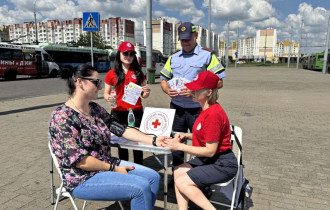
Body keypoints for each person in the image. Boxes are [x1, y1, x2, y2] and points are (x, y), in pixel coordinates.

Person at [49, 64, 162, 210]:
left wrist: (153, 140)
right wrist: (113, 168)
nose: (101, 87)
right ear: (79, 82)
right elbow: (80, 162)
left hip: (106, 164)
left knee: (153, 177)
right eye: (96, 82)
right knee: (140, 188)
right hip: (82, 177)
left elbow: (121, 129)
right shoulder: (62, 117)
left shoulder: (95, 109)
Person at [160, 22, 226, 186]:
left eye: (188, 39)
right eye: (182, 40)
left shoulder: (207, 56)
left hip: (198, 109)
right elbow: (163, 80)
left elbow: (219, 82)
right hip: (177, 109)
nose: (185, 43)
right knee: (176, 143)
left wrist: (197, 91)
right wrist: (167, 90)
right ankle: (176, 176)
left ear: (196, 36)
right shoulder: (173, 58)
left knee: (202, 144)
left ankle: (203, 181)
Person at [162, 71, 238, 210]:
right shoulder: (204, 109)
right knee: (178, 171)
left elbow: (210, 151)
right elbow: (205, 134)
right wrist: (185, 135)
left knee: (182, 182)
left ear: (209, 92)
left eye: (197, 88)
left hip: (223, 164)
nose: (192, 90)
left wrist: (179, 146)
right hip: (213, 159)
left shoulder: (213, 114)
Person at [104, 41, 150, 165]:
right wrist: (108, 98)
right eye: (125, 53)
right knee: (121, 143)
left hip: (136, 112)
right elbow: (106, 93)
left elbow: (144, 96)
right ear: (119, 54)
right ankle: (124, 167)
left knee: (137, 143)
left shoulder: (139, 72)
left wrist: (146, 91)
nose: (128, 56)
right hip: (118, 112)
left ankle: (139, 166)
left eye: (131, 54)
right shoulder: (111, 74)